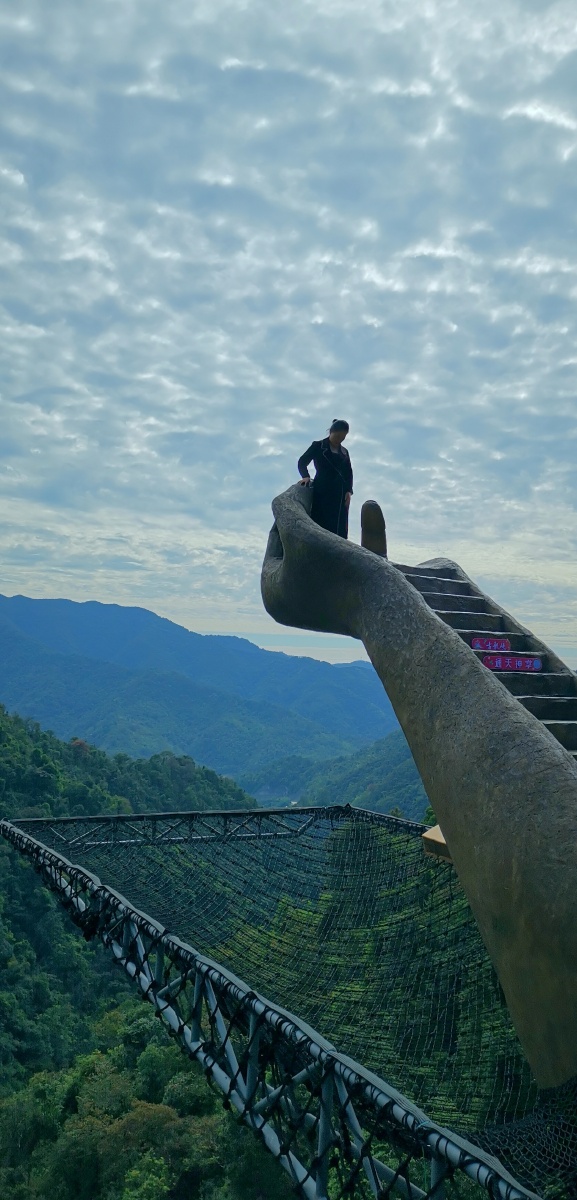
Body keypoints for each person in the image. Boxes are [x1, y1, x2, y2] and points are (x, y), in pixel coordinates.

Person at [297, 419, 353, 539]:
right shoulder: (318, 446)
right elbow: (302, 461)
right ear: (331, 432)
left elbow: (349, 472)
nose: (340, 439)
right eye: (337, 436)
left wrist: (349, 491)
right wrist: (305, 476)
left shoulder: (344, 452)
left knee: (340, 528)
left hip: (340, 494)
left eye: (343, 437)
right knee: (321, 522)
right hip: (323, 489)